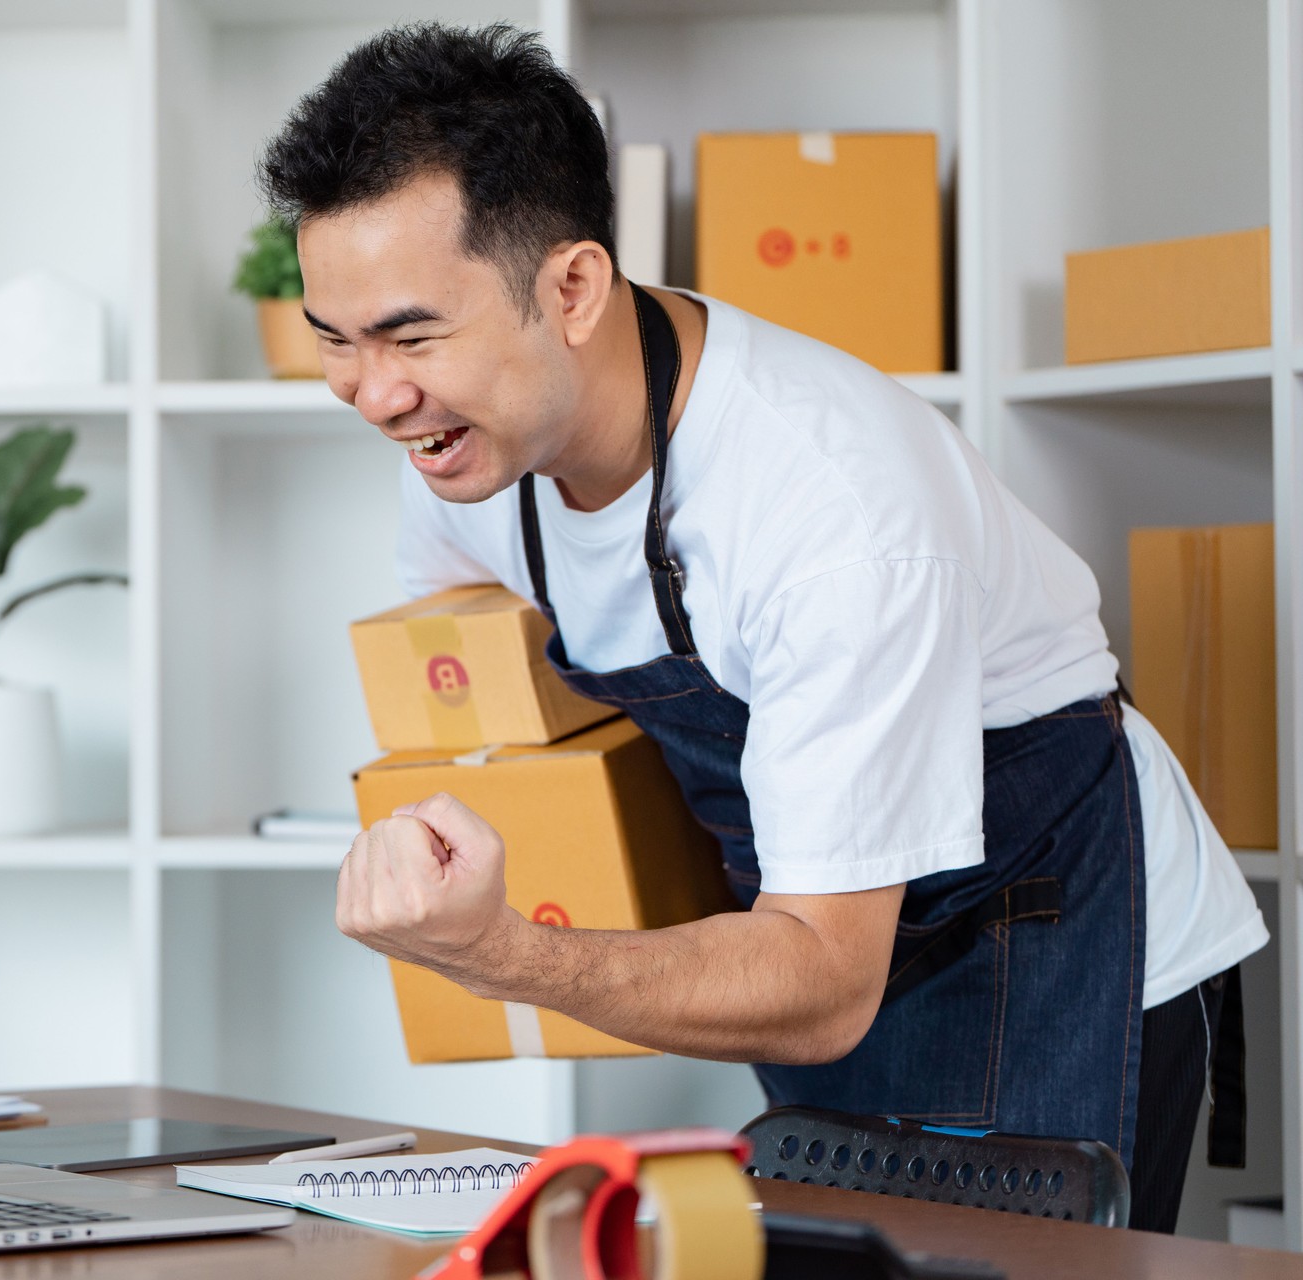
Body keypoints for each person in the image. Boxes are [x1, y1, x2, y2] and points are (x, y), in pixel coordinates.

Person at [257, 22, 1267, 1233]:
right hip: (819, 926)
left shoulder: (830, 509)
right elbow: (460, 643)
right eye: (335, 339)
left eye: (413, 336)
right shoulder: (470, 449)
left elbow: (822, 983)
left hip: (1053, 933)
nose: (376, 395)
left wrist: (501, 949)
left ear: (572, 287)